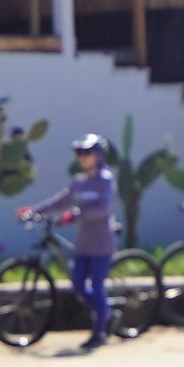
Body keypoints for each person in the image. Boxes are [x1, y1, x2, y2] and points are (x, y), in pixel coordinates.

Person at [22, 133, 119, 351]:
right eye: (79, 154)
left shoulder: (105, 179)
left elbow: (103, 209)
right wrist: (34, 211)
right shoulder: (79, 183)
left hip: (101, 242)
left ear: (98, 155)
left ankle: (99, 331)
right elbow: (61, 200)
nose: (83, 158)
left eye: (87, 153)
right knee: (77, 283)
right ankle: (107, 314)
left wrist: (74, 216)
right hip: (84, 242)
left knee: (96, 285)